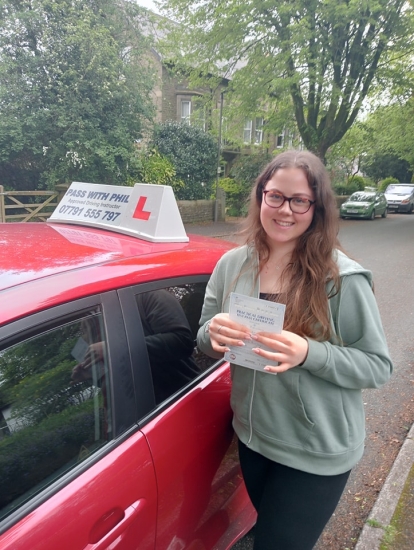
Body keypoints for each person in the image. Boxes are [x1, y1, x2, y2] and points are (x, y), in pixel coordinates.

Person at [197, 150, 393, 550]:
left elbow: (377, 366)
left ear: (316, 207)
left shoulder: (340, 279)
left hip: (315, 452)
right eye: (276, 196)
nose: (285, 210)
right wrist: (212, 333)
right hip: (253, 439)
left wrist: (308, 352)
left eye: (299, 200)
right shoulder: (231, 265)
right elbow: (205, 339)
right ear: (260, 196)